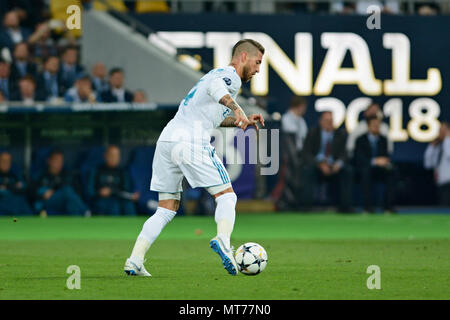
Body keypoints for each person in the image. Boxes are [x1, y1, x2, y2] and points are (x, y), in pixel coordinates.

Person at [124, 39, 265, 277]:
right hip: (190, 141)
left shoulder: (215, 76)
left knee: (166, 209)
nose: (259, 69)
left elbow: (213, 117)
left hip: (168, 140)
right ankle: (223, 240)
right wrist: (239, 110)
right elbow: (216, 89)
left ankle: (135, 260)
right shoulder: (230, 76)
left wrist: (241, 120)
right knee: (227, 196)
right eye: (257, 62)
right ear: (243, 56)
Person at [300, 111, 353, 212]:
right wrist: (319, 164)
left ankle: (345, 207)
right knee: (308, 171)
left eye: (331, 120)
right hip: (317, 166)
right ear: (320, 121)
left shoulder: (340, 134)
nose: (329, 123)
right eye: (326, 120)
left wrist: (339, 164)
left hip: (334, 166)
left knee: (348, 171)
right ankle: (306, 206)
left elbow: (345, 154)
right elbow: (306, 153)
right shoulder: (312, 133)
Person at [355, 116, 396, 213]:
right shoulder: (360, 139)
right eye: (374, 125)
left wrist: (383, 161)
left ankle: (388, 207)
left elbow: (385, 155)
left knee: (392, 171)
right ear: (368, 127)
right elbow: (359, 158)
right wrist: (374, 161)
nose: (376, 127)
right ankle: (367, 207)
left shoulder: (383, 139)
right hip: (366, 168)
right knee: (366, 172)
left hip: (380, 169)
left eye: (378, 125)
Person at [33, 150, 90, 216]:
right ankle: (86, 212)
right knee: (67, 191)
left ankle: (77, 220)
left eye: (61, 161)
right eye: (56, 160)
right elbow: (31, 192)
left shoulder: (66, 175)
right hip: (46, 204)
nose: (59, 163)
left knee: (69, 197)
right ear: (49, 160)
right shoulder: (40, 175)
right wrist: (43, 193)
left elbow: (75, 193)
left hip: (62, 206)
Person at [276, 95, 308, 211]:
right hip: (288, 156)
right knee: (288, 179)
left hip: (300, 155)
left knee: (298, 179)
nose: (304, 109)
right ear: (299, 106)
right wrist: (294, 158)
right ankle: (285, 203)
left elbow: (303, 139)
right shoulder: (287, 119)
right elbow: (289, 141)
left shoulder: (301, 120)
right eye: (303, 107)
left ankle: (296, 202)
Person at [87, 145, 140, 216]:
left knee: (128, 206)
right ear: (105, 156)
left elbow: (126, 190)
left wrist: (132, 195)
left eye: (116, 156)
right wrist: (99, 193)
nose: (114, 158)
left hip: (119, 198)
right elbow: (89, 191)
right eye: (111, 155)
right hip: (102, 200)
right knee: (113, 207)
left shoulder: (123, 172)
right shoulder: (96, 171)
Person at [424, 121, 450, 206]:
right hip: (440, 183)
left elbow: (449, 154)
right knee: (442, 210)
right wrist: (432, 146)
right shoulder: (438, 147)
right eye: (440, 130)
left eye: (444, 130)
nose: (441, 133)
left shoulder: (447, 144)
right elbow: (428, 164)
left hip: (448, 183)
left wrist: (447, 138)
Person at [0, 151, 32, 216]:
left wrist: (7, 187)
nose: (6, 163)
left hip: (19, 209)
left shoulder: (15, 176)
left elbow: (23, 189)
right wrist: (12, 187)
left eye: (8, 161)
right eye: (3, 161)